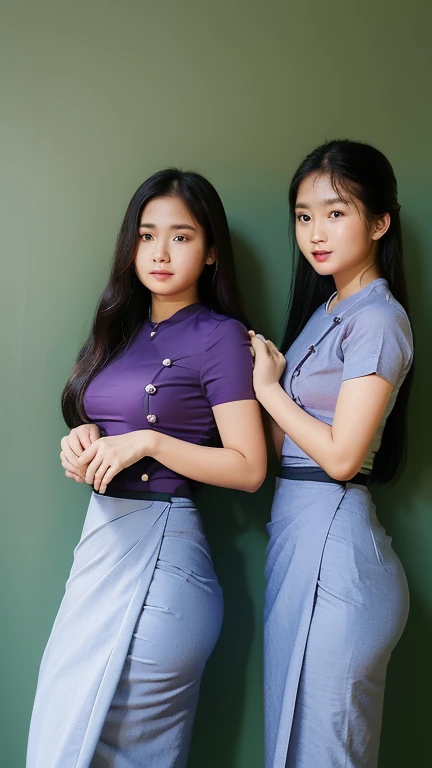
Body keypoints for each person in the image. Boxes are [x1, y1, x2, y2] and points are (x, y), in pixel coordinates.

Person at [27, 169, 267, 768]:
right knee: (62, 742)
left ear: (211, 252)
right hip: (100, 552)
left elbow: (249, 467)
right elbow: (112, 422)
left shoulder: (221, 337)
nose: (159, 252)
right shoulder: (123, 329)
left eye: (181, 236)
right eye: (146, 234)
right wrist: (84, 438)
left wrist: (149, 443)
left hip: (162, 566)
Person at [250, 140, 414, 768]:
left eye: (336, 212)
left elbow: (343, 457)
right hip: (301, 541)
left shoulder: (378, 320)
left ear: (379, 222)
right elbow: (286, 441)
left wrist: (268, 389)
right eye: (303, 215)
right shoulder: (328, 309)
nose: (315, 232)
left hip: (338, 560)